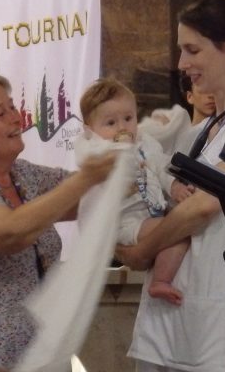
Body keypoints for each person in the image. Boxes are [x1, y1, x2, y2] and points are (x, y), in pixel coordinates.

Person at [122, 0, 225, 372]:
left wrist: (142, 248)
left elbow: (204, 206)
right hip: (167, 317)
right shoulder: (195, 132)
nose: (182, 64)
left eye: (192, 50)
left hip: (216, 322)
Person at [0, 72, 115, 369]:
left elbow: (93, 197)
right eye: (1, 113)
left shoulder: (24, 176)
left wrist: (127, 160)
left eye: (12, 107)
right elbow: (9, 234)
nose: (17, 118)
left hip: (39, 355)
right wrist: (88, 178)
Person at [78, 77, 189, 305]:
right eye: (110, 123)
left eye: (128, 118)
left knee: (178, 230)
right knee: (179, 231)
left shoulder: (145, 143)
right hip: (127, 223)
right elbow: (96, 190)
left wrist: (174, 186)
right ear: (90, 131)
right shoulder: (99, 154)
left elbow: (162, 166)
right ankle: (161, 280)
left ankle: (161, 273)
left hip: (151, 214)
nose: (122, 128)